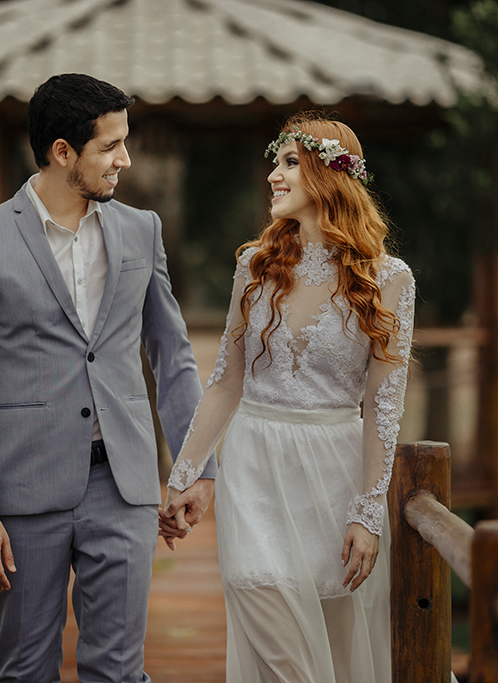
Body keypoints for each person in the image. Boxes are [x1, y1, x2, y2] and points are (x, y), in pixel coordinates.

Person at [0, 73, 215, 683]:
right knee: (25, 670)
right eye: (110, 146)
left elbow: (172, 355)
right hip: (22, 493)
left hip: (123, 487)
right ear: (63, 151)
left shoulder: (141, 230)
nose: (125, 158)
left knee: (117, 671)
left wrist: (196, 467)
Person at [160, 112, 414, 683]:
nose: (274, 175)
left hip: (335, 476)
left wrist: (368, 514)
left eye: (290, 163)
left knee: (341, 658)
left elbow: (383, 407)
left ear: (330, 174)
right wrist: (184, 474)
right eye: (275, 163)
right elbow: (226, 381)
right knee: (273, 633)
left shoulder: (390, 279)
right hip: (255, 466)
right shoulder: (255, 266)